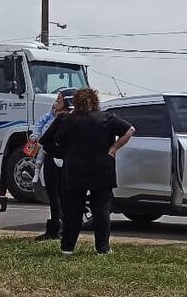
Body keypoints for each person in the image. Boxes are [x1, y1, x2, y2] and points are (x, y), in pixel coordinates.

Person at [51, 88, 135, 256]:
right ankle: (102, 248)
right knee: (101, 210)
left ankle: (67, 247)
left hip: (75, 170)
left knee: (73, 211)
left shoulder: (70, 119)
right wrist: (114, 147)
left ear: (76, 101)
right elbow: (130, 130)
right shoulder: (107, 118)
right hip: (102, 169)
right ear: (95, 101)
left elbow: (58, 141)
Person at [32, 88, 76, 241]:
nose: (55, 103)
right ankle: (61, 228)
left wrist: (42, 143)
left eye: (59, 100)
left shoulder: (63, 118)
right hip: (64, 159)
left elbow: (45, 139)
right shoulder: (71, 118)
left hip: (54, 158)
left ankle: (55, 229)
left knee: (55, 195)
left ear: (67, 102)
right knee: (60, 196)